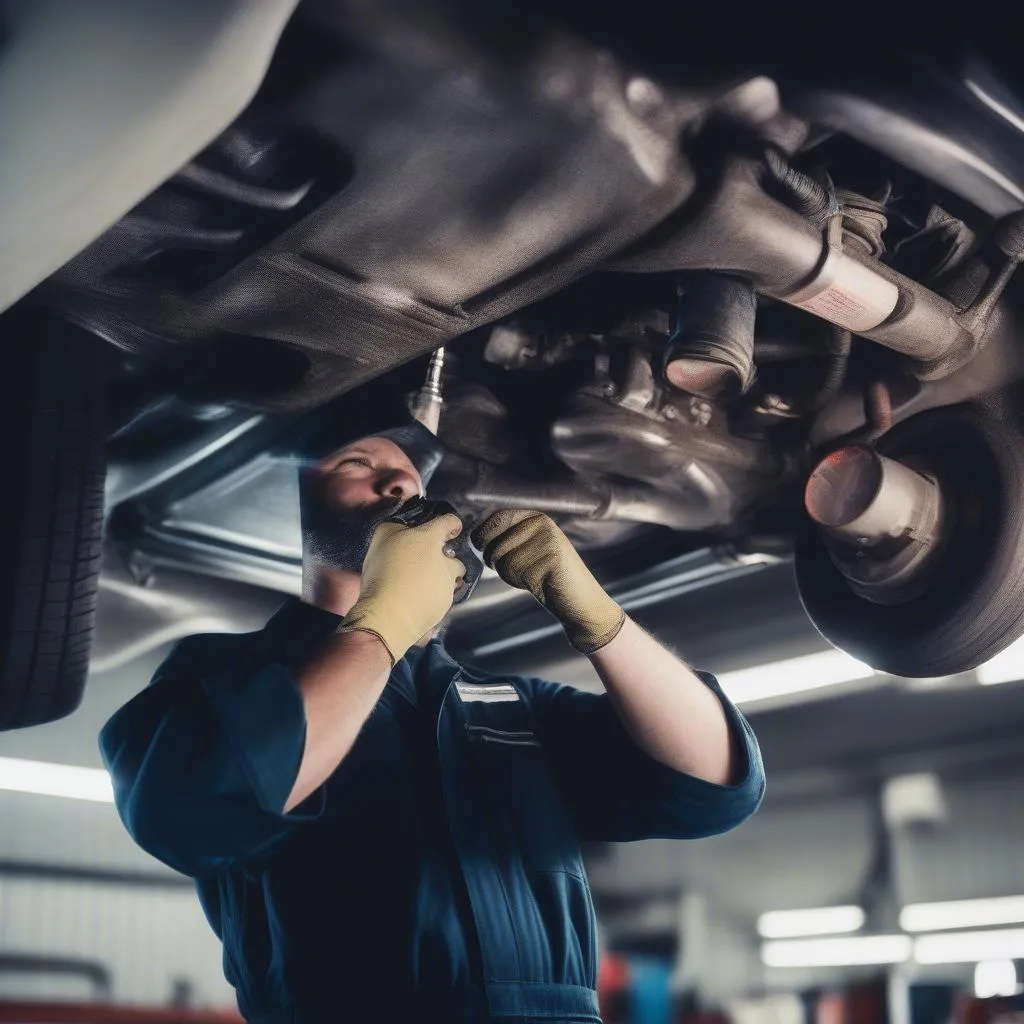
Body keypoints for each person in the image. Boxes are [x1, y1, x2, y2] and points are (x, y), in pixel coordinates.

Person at [100, 419, 765, 1023]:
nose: (398, 481)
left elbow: (715, 784)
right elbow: (189, 812)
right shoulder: (221, 675)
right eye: (357, 462)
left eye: (411, 478)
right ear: (293, 504)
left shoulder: (514, 705)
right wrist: (382, 624)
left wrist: (601, 621)